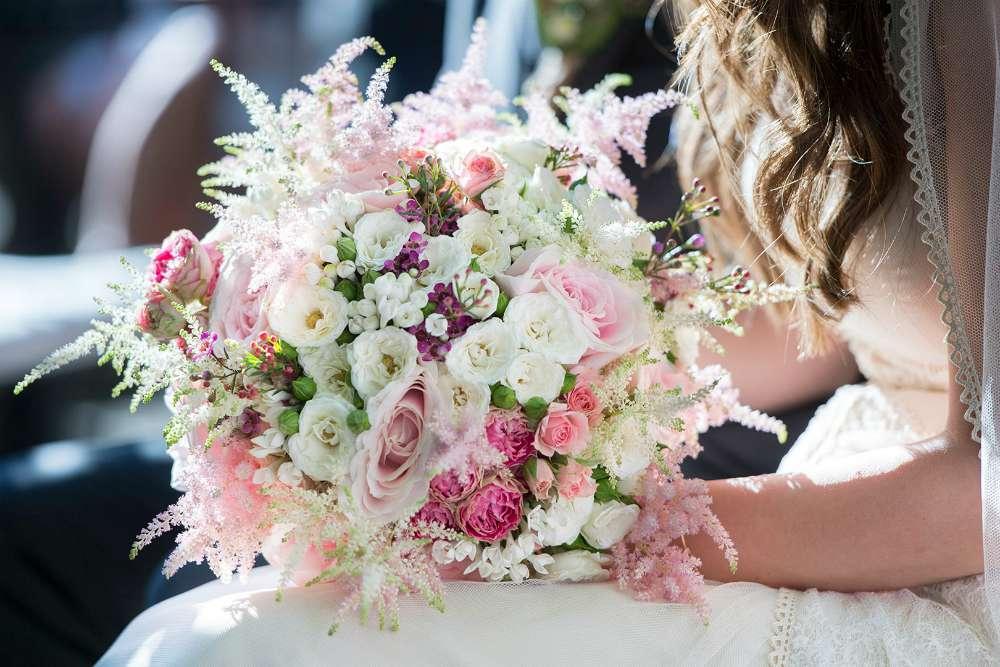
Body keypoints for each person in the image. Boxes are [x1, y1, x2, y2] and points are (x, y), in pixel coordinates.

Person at [98, 0, 999, 663]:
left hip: (952, 570)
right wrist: (502, 405)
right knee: (228, 622)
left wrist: (599, 526)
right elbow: (806, 317)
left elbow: (987, 493)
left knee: (228, 652)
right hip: (863, 499)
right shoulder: (756, 24)